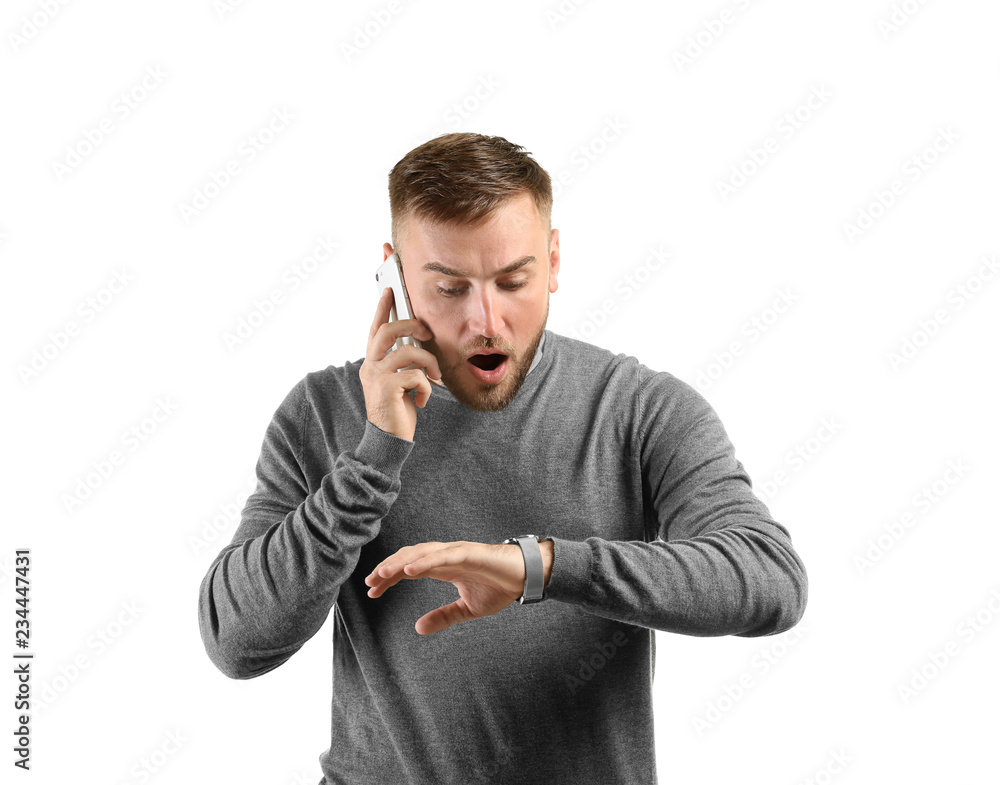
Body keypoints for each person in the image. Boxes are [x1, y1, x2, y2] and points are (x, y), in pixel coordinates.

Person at [197, 132, 808, 784]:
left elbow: (768, 579)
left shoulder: (637, 408)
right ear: (394, 277)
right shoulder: (322, 411)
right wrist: (373, 459)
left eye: (512, 280)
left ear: (553, 261)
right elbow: (235, 643)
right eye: (449, 287)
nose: (486, 320)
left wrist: (538, 568)